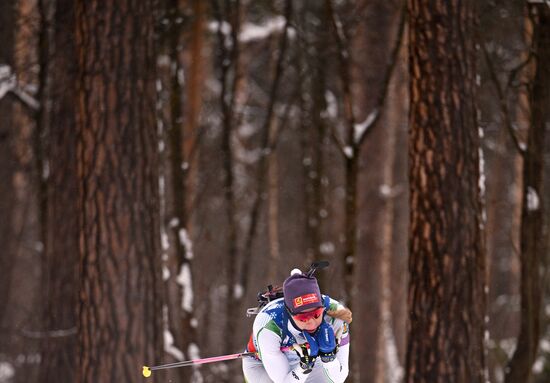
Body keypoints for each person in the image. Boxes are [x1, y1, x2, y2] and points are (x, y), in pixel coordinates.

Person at [242, 269, 352, 382]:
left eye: (316, 315)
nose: (311, 323)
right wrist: (304, 368)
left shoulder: (336, 315)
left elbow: (339, 378)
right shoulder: (269, 325)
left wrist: (329, 358)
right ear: (290, 314)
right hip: (262, 365)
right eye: (303, 318)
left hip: (315, 360)